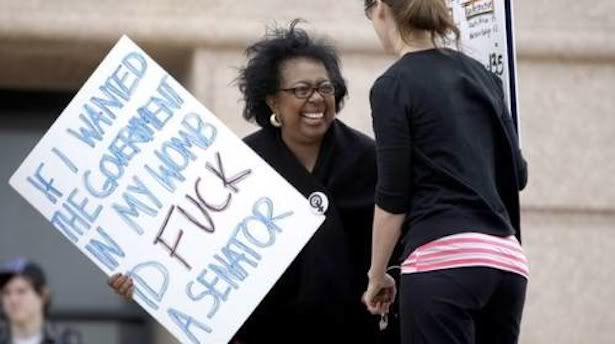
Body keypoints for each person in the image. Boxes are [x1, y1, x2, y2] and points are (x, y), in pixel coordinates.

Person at [109, 20, 395, 343]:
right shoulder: (238, 165)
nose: (316, 98)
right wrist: (143, 282)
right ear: (272, 101)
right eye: (301, 90)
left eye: (325, 87)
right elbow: (194, 249)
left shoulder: (369, 159)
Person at [360, 1, 529, 344]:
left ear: (379, 8)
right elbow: (518, 175)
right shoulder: (484, 76)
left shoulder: (392, 85)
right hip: (507, 263)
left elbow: (393, 197)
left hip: (442, 262)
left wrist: (377, 275)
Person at [0, 257, 83, 344]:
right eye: (6, 292)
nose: (13, 300)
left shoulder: (66, 338)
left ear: (43, 296)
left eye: (21, 291)